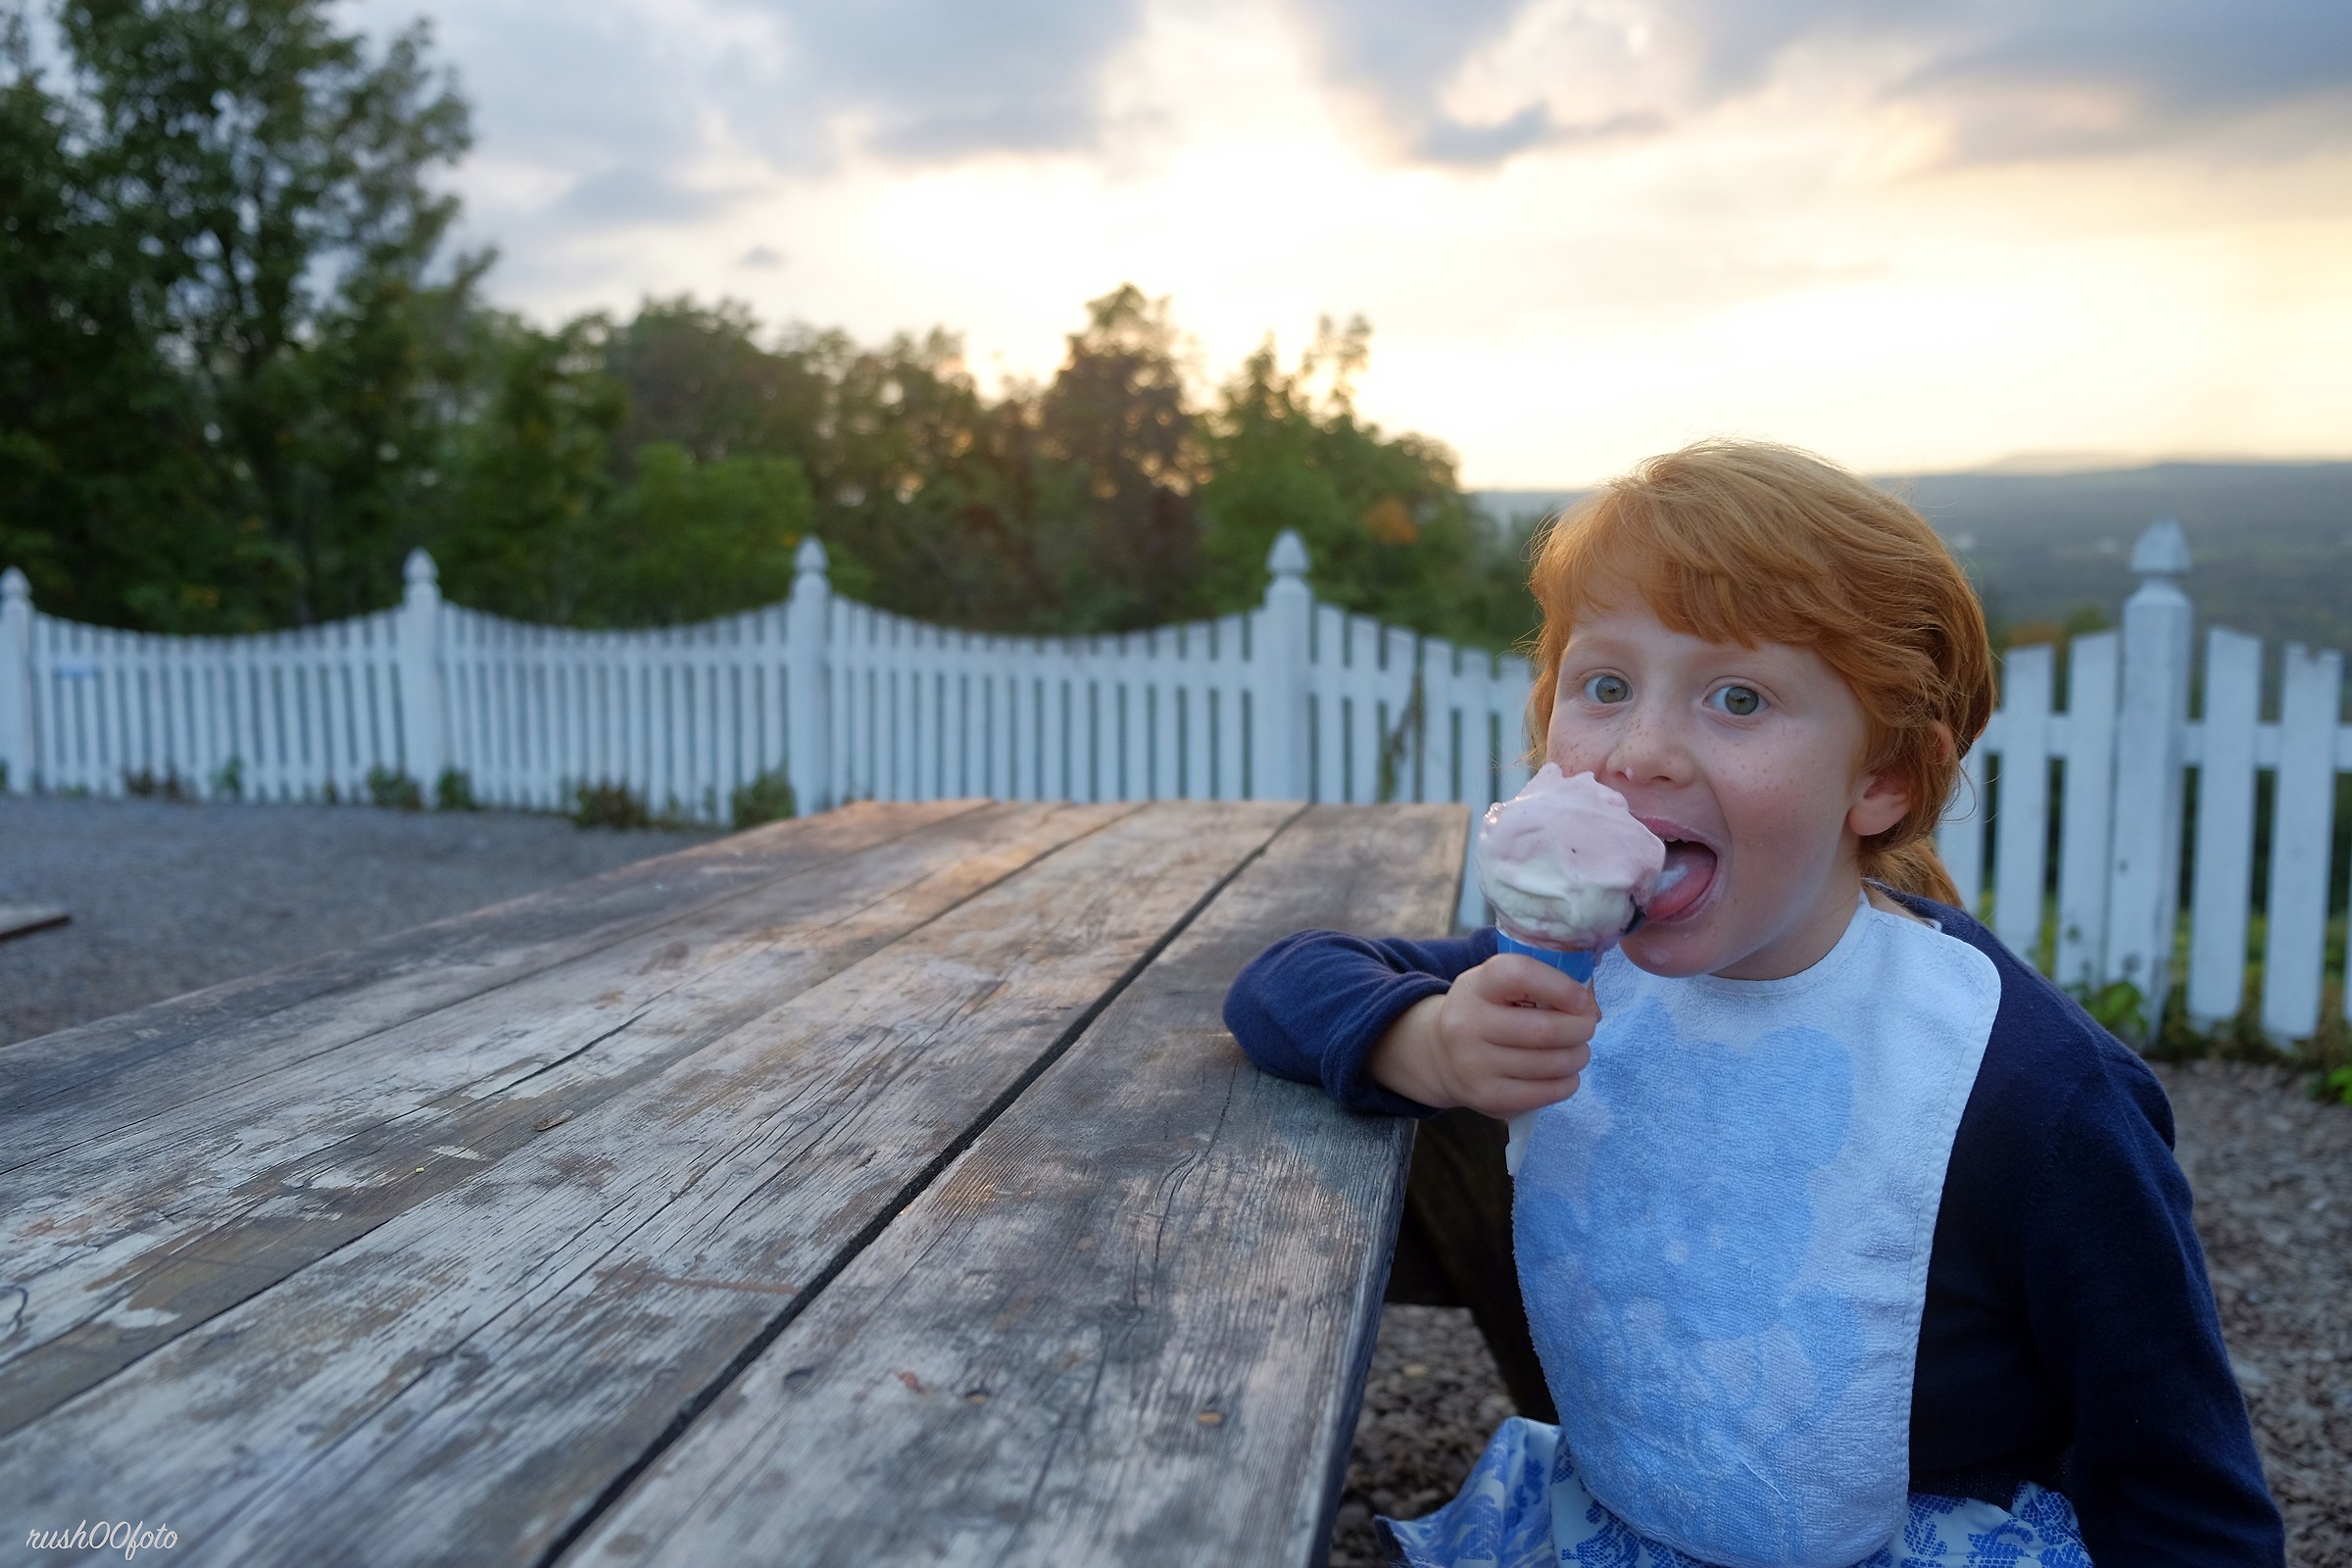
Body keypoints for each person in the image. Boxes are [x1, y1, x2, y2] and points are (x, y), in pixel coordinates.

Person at [1223, 441, 2283, 1568]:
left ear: (1884, 778)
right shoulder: (1581, 968)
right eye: (1606, 685)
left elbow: (2184, 1489)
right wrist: (1422, 1037)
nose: (1640, 750)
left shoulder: (2031, 1093)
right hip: (1617, 1524)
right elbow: (1278, 982)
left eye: (1739, 697)